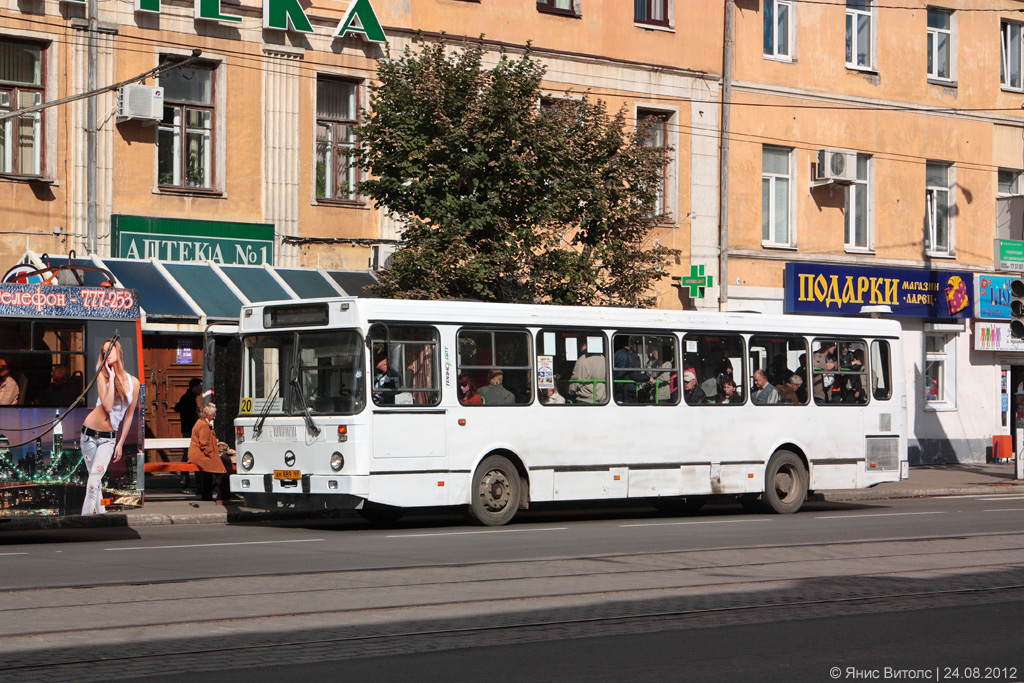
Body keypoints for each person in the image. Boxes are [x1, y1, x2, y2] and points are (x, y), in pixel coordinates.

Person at [80, 339, 140, 515]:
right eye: (104, 351)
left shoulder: (134, 382)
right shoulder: (102, 375)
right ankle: (98, 517)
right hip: (88, 435)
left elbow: (129, 416)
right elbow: (107, 406)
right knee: (94, 480)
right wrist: (112, 379)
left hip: (109, 439)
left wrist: (120, 443)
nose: (107, 355)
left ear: (119, 351)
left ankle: (89, 519)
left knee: (94, 479)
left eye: (110, 350)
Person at [188, 403, 234, 504]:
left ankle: (208, 495)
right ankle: (222, 497)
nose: (215, 416)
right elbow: (204, 445)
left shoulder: (202, 423)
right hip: (202, 456)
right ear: (208, 415)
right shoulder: (203, 425)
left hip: (201, 454)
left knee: (224, 462)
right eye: (213, 414)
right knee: (224, 471)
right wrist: (214, 455)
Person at [173, 378, 203, 490]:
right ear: (194, 387)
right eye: (200, 388)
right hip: (190, 430)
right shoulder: (188, 398)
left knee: (191, 454)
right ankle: (185, 482)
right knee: (189, 455)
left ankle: (191, 481)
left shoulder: (189, 397)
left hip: (189, 429)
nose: (201, 390)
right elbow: (178, 408)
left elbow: (178, 408)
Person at [569, 337, 607, 404]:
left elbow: (576, 380)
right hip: (602, 398)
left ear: (585, 345)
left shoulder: (583, 359)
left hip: (585, 398)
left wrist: (570, 391)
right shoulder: (603, 359)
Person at [613, 338, 644, 404]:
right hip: (629, 389)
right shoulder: (633, 356)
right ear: (631, 344)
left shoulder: (616, 354)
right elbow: (636, 376)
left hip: (617, 388)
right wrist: (647, 378)